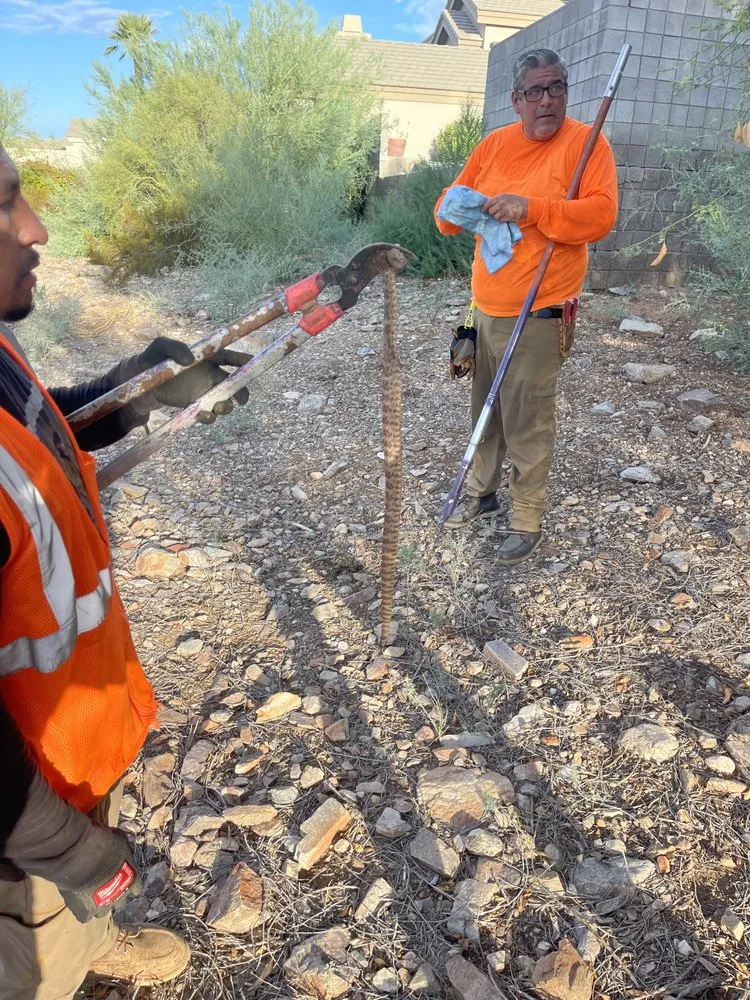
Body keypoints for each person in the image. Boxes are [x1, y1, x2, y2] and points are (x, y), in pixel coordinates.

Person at [0, 140, 253, 998]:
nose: (36, 227)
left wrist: (132, 393)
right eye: (5, 206)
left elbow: (36, 434)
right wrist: (70, 851)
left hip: (65, 749)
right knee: (29, 951)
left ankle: (84, 942)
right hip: (22, 816)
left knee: (66, 912)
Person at [435, 47, 618, 565]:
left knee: (527, 417)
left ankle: (527, 517)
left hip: (540, 312)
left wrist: (532, 209)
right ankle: (482, 493)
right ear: (515, 100)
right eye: (534, 91)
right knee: (486, 410)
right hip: (486, 307)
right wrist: (457, 209)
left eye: (556, 87)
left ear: (566, 91)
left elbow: (601, 216)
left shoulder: (586, 144)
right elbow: (448, 207)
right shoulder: (494, 145)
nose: (547, 100)